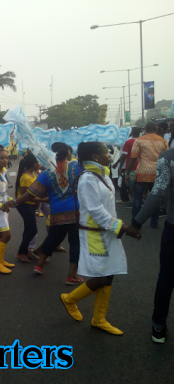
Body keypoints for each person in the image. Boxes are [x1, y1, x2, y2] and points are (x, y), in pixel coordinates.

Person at [60, 142, 129, 336]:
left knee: (109, 273)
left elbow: (107, 207)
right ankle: (70, 299)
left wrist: (115, 226)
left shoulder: (103, 174)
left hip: (107, 231)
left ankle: (99, 319)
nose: (109, 155)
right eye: (106, 152)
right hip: (95, 233)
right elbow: (96, 210)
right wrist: (121, 226)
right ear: (95, 156)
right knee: (102, 276)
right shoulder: (87, 179)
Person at [3, 142, 82, 284]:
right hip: (75, 212)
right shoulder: (76, 166)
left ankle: (39, 265)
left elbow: (29, 193)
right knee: (75, 243)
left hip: (57, 213)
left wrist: (14, 202)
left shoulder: (47, 173)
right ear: (68, 155)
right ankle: (72, 275)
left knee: (52, 239)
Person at [126, 146, 174, 343]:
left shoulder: (169, 157)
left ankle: (158, 327)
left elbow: (158, 193)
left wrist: (136, 223)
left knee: (167, 278)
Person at [127, 121, 168, 228]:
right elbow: (167, 158)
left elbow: (133, 159)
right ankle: (154, 223)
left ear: (144, 129)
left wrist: (127, 173)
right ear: (156, 129)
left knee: (137, 198)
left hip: (142, 173)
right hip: (157, 174)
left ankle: (135, 223)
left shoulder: (139, 141)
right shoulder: (163, 141)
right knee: (154, 199)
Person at [14, 154, 44, 263]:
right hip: (24, 205)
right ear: (34, 164)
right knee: (32, 229)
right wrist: (43, 199)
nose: (39, 164)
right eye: (38, 162)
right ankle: (21, 252)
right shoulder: (25, 177)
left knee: (28, 228)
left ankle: (25, 251)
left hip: (30, 204)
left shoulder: (33, 174)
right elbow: (25, 196)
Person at [115, 127, 140, 207]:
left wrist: (119, 166)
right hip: (142, 166)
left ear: (131, 133)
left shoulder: (128, 142)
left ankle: (133, 202)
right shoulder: (142, 141)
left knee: (131, 185)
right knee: (140, 184)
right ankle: (140, 201)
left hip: (130, 166)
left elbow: (124, 155)